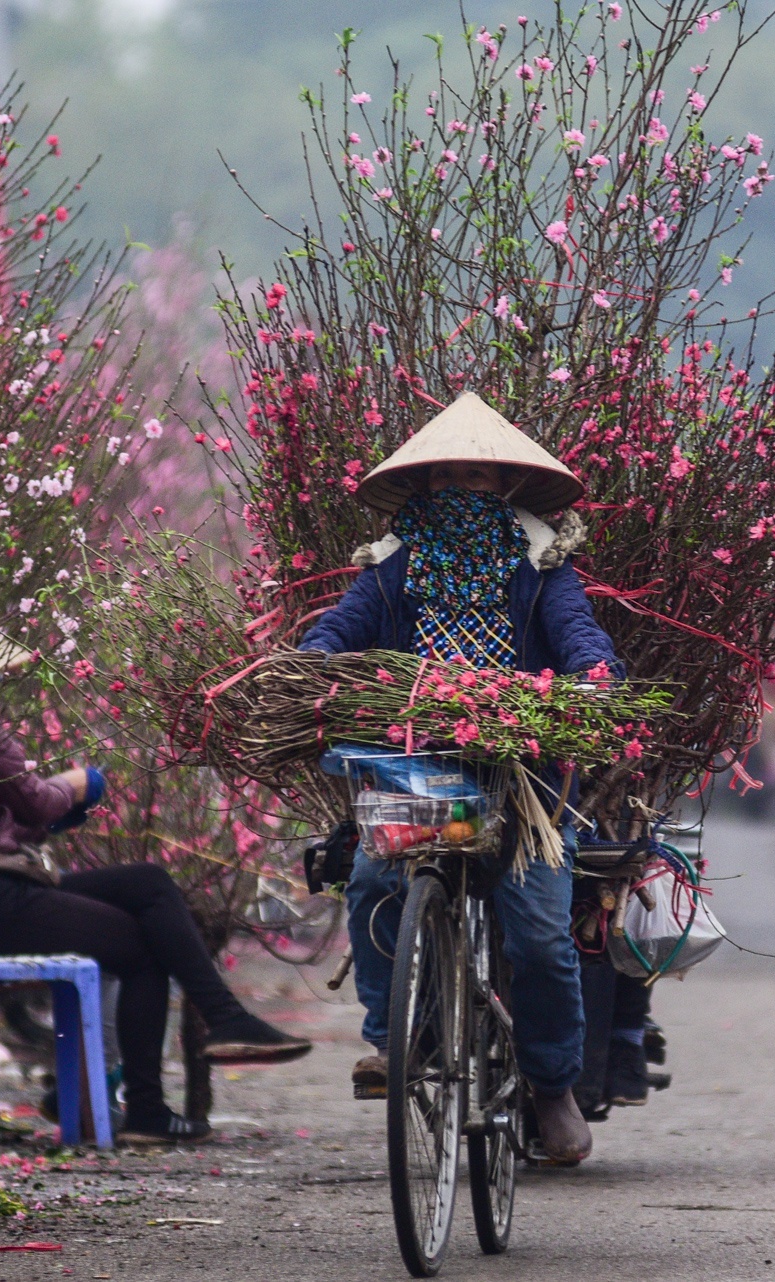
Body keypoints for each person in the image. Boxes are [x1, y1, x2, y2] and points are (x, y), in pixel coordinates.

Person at [297, 391, 620, 1165]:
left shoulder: (544, 568)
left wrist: (592, 681)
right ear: (425, 486)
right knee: (376, 881)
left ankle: (551, 1085)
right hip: (419, 773)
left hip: (523, 781)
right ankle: (395, 1040)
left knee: (540, 935)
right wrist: (311, 662)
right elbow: (338, 627)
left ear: (503, 487)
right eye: (449, 479)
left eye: (478, 480)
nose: (462, 493)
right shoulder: (391, 570)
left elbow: (582, 640)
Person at [0, 648, 311, 1147]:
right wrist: (79, 784)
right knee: (143, 947)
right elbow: (36, 800)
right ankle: (149, 1107)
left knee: (146, 882)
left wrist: (45, 815)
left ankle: (224, 1021)